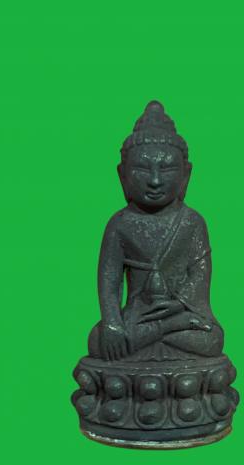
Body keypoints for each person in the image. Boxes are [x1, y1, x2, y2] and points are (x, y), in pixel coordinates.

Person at [88, 101, 224, 361]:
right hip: (139, 315)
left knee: (212, 339)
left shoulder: (192, 222)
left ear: (186, 174)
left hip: (180, 312)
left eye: (167, 168)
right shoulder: (119, 224)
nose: (155, 180)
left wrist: (178, 304)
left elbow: (200, 274)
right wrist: (113, 323)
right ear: (122, 175)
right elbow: (109, 279)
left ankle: (159, 332)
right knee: (97, 341)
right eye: (141, 169)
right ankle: (163, 331)